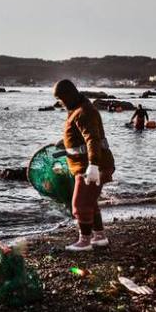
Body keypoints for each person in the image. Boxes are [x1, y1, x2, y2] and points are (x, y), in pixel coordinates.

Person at [53, 79, 116, 252]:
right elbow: (80, 137)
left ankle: (85, 241)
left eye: (61, 98)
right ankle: (100, 236)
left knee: (80, 204)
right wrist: (65, 143)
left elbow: (92, 139)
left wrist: (93, 165)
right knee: (90, 202)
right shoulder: (78, 110)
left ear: (69, 95)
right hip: (88, 164)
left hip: (92, 165)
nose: (61, 102)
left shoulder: (84, 112)